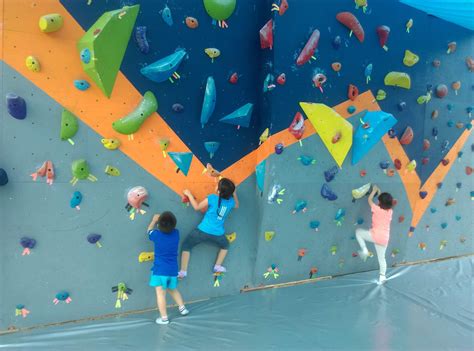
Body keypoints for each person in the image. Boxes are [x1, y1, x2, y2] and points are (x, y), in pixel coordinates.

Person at [179, 178, 239, 278]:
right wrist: (235, 193)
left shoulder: (212, 198)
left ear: (218, 190)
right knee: (225, 245)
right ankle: (217, 266)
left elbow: (197, 207)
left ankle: (183, 271)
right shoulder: (231, 202)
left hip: (202, 231)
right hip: (218, 234)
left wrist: (189, 194)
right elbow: (237, 205)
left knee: (186, 246)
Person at [147, 212, 189, 325]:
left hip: (159, 271)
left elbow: (149, 231)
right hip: (172, 270)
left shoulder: (155, 235)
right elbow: (168, 229)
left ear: (159, 226)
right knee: (173, 289)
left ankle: (164, 318)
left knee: (161, 294)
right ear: (174, 225)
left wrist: (153, 220)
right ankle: (182, 308)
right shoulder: (176, 233)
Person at [355, 185, 393, 284]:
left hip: (375, 236)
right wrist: (379, 192)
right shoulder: (390, 212)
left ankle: (365, 250)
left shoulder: (376, 209)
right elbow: (382, 203)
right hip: (384, 239)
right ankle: (382, 277)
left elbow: (369, 200)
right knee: (382, 258)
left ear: (379, 202)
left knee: (358, 233)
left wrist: (374, 191)